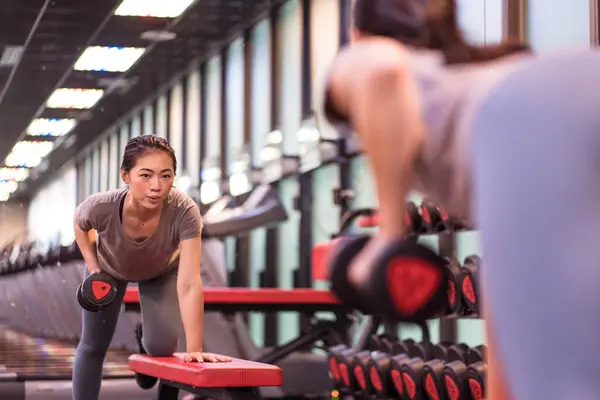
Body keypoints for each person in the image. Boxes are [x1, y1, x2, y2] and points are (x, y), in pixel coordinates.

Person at [324, 0, 600, 399]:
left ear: (357, 31)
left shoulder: (368, 54)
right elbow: (506, 323)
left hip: (529, 115)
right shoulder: (482, 72)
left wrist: (389, 236)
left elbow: (380, 69)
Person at [72, 135, 231, 400]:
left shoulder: (184, 210)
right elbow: (80, 224)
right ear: (126, 175)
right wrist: (94, 267)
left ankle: (145, 338)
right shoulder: (102, 205)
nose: (156, 186)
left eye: (165, 176)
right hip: (109, 270)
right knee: (92, 345)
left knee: (161, 348)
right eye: (145, 175)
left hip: (161, 272)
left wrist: (194, 349)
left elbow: (190, 282)